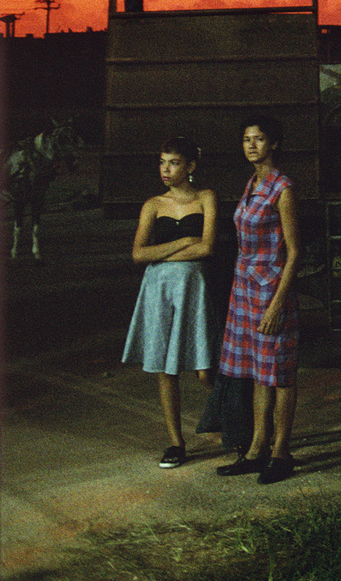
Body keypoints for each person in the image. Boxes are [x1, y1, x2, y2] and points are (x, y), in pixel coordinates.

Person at [122, 136, 218, 468]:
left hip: (194, 286)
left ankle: (236, 424)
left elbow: (207, 249)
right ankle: (176, 443)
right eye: (162, 162)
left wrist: (168, 251)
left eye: (174, 162)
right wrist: (186, 240)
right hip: (158, 288)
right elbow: (139, 254)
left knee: (206, 369)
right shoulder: (153, 205)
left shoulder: (206, 198)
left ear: (191, 166)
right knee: (166, 366)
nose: (166, 169)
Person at [216, 115, 301, 484]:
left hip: (271, 289)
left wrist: (278, 303)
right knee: (256, 372)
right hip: (244, 288)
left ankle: (281, 453)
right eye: (247, 139)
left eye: (260, 139)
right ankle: (256, 449)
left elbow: (295, 251)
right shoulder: (252, 183)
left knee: (279, 373)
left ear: (274, 144)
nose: (252, 145)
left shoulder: (282, 188)